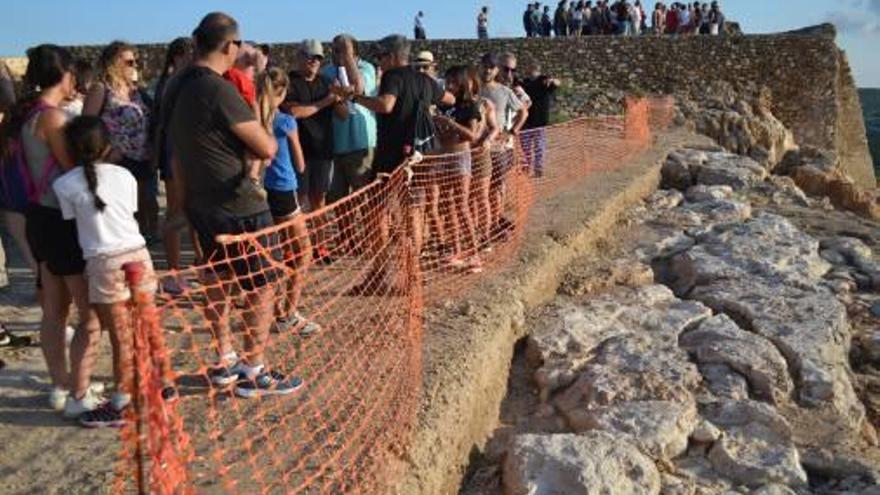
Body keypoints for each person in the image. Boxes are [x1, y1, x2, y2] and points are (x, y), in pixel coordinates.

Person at [165, 12, 302, 397]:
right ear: (229, 46)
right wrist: (260, 88)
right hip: (239, 203)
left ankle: (224, 360)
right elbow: (266, 145)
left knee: (216, 281)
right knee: (261, 285)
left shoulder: (177, 85)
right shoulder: (218, 90)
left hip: (200, 203)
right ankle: (254, 369)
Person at [53, 116, 177, 427]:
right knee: (146, 326)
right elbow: (129, 213)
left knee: (121, 338)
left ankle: (123, 401)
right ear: (108, 146)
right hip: (139, 255)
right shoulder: (125, 175)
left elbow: (74, 221)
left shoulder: (63, 184)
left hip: (103, 263)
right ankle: (162, 383)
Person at [1, 44, 102, 416]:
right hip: (62, 221)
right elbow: (73, 169)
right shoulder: (53, 119)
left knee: (54, 312)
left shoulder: (24, 116)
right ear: (65, 75)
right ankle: (80, 389)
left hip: (38, 218)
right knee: (89, 315)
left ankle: (60, 386)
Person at [351, 34, 454, 289]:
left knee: (378, 214)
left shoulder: (392, 77)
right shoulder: (425, 80)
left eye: (381, 56)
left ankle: (378, 277)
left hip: (391, 156)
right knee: (415, 212)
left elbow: (385, 105)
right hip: (420, 156)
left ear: (394, 56)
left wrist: (354, 97)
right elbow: (450, 99)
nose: (378, 62)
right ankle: (413, 276)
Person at [254, 68, 319, 337]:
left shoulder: (255, 121)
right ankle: (288, 313)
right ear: (281, 93)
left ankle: (278, 309)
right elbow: (301, 164)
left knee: (277, 252)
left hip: (264, 191)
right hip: (285, 188)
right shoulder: (285, 121)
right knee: (304, 251)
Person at [82, 41, 157, 244]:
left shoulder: (136, 91)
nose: (135, 66)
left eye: (136, 62)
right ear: (114, 63)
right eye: (130, 62)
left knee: (143, 206)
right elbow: (86, 127)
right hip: (117, 160)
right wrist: (105, 153)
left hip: (143, 158)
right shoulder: (101, 89)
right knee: (122, 211)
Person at [283, 39, 346, 263]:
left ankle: (320, 246)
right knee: (296, 201)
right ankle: (292, 249)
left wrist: (341, 99)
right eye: (309, 57)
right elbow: (295, 112)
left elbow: (343, 114)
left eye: (318, 58)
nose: (314, 62)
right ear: (299, 57)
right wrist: (327, 101)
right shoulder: (289, 83)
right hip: (297, 150)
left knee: (319, 200)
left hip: (322, 150)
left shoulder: (327, 82)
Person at [434, 65, 497, 273]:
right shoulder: (444, 105)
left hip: (461, 157)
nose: (449, 85)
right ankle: (456, 250)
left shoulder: (469, 105)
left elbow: (472, 135)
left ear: (462, 83)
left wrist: (449, 124)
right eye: (447, 81)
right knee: (446, 205)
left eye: (453, 81)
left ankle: (475, 255)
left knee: (461, 205)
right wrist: (440, 125)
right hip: (444, 155)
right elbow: (444, 135)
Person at [152, 37, 201, 295]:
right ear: (176, 57)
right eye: (187, 54)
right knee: (176, 214)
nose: (192, 58)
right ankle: (172, 275)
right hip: (176, 155)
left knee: (191, 214)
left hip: (185, 155)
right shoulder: (172, 84)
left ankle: (198, 265)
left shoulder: (178, 82)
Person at [478, 53, 527, 248]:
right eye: (485, 66)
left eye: (492, 67)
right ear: (480, 66)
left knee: (496, 187)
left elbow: (523, 111)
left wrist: (512, 131)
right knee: (480, 191)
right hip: (478, 146)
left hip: (499, 147)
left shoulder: (505, 91)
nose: (488, 70)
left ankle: (495, 223)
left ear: (495, 70)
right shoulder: (474, 89)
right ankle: (486, 225)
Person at [520, 63, 559, 178]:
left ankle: (538, 170)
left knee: (539, 147)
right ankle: (526, 169)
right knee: (525, 148)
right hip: (526, 121)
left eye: (532, 69)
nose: (530, 71)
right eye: (529, 69)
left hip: (540, 122)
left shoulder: (544, 81)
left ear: (537, 70)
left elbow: (556, 83)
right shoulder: (524, 83)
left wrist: (553, 81)